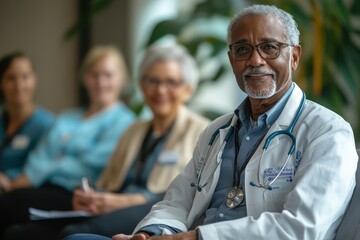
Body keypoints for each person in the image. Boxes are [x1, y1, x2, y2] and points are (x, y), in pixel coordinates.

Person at [65, 4, 358, 240]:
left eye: (269, 47)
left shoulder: (327, 131)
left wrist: (197, 238)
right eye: (243, 49)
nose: (255, 60)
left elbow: (302, 229)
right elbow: (177, 201)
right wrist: (149, 233)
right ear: (232, 61)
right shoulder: (216, 131)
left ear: (294, 57)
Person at [3, 44, 210, 240]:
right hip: (110, 205)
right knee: (20, 233)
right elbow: (107, 182)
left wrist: (121, 201)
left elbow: (188, 196)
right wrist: (91, 196)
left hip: (156, 210)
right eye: (152, 81)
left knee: (74, 233)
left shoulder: (202, 130)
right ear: (141, 85)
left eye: (171, 82)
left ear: (188, 89)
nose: (160, 90)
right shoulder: (134, 130)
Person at [0, 45, 135, 238]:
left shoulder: (125, 122)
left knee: (11, 204)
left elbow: (90, 164)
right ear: (85, 78)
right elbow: (40, 155)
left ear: (122, 79)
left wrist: (55, 159)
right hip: (40, 188)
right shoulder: (67, 117)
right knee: (15, 233)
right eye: (94, 75)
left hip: (77, 196)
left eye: (108, 75)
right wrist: (65, 157)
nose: (100, 82)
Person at [0, 52, 54, 192]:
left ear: (34, 80)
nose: (19, 85)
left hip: (23, 195)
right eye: (11, 78)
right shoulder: (2, 122)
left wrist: (9, 182)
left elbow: (44, 170)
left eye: (25, 77)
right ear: (1, 83)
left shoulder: (48, 125)